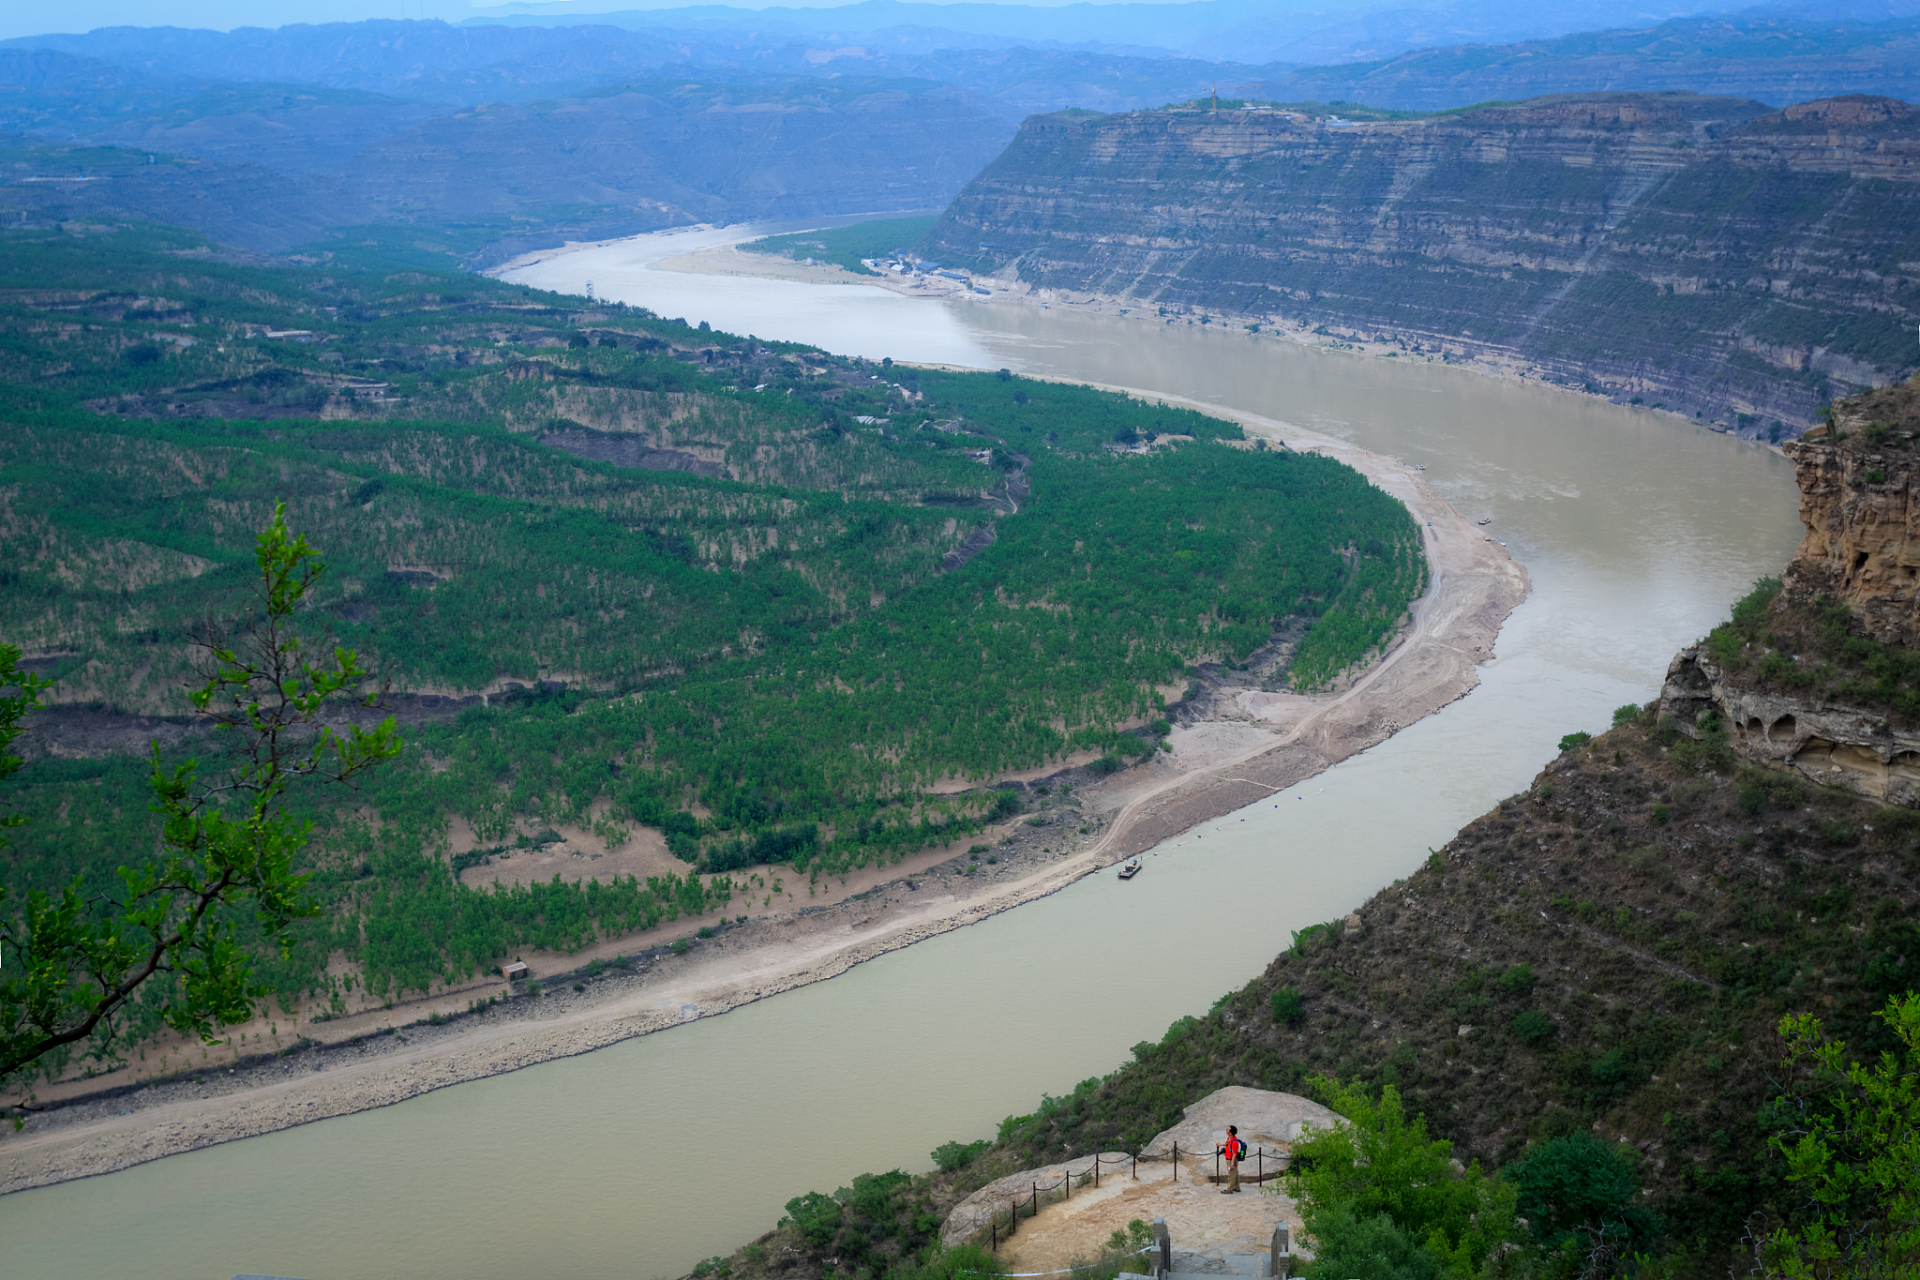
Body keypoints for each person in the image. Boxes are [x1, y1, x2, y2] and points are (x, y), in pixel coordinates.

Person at [1218, 1125, 1243, 1194]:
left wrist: (1232, 1164)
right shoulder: (1230, 1139)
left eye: (1227, 1130)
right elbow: (1227, 1144)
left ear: (1230, 1133)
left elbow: (1234, 1153)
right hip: (1229, 1158)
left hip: (1231, 1160)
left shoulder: (1234, 1142)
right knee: (1235, 1173)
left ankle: (1229, 1189)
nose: (1226, 1131)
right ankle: (1236, 1187)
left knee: (1231, 1175)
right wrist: (1220, 1145)